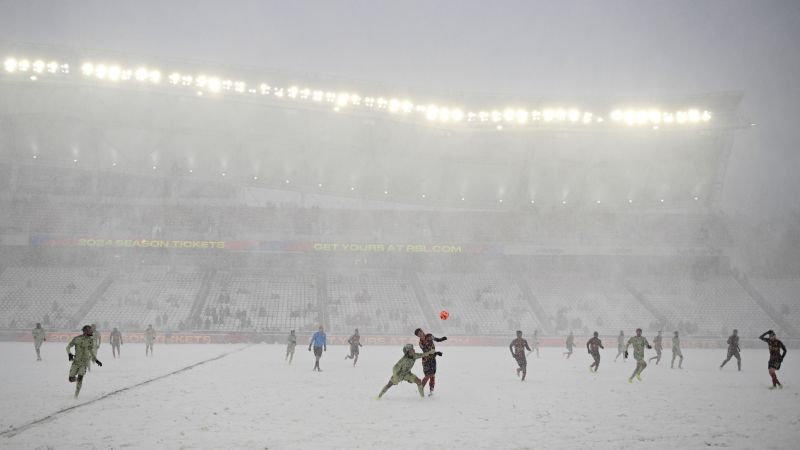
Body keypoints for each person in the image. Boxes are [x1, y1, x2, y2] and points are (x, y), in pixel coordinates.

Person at [66, 325, 102, 398]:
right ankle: (77, 380)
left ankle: (76, 395)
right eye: (90, 330)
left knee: (80, 377)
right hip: (76, 362)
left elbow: (91, 351)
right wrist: (69, 353)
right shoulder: (76, 339)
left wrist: (96, 360)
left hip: (84, 362)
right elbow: (68, 347)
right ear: (85, 331)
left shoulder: (90, 340)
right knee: (71, 379)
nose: (92, 331)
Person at [415, 328, 447, 395]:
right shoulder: (420, 343)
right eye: (419, 334)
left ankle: (431, 390)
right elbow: (426, 352)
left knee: (432, 375)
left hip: (432, 359)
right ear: (418, 336)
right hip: (426, 359)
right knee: (427, 375)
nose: (421, 333)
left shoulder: (429, 335)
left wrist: (442, 339)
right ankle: (421, 388)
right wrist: (436, 353)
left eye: (421, 331)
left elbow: (436, 339)